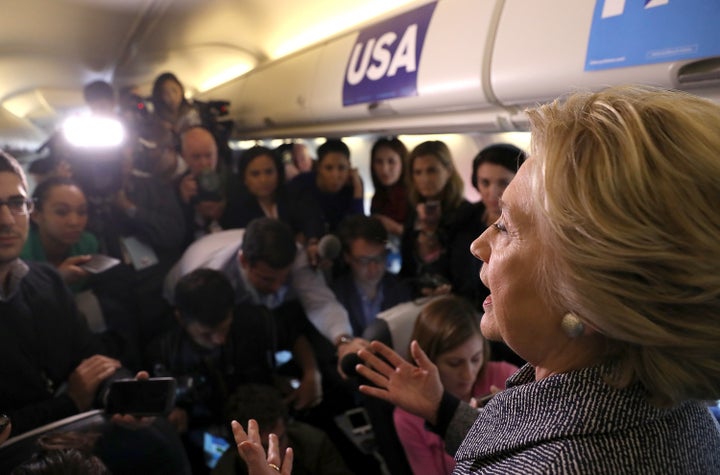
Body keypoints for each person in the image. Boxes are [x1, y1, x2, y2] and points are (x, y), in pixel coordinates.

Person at [350, 86, 720, 473]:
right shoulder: (678, 410)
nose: (479, 245)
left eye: (506, 227)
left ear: (587, 294)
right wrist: (441, 409)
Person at [0, 150, 191, 474]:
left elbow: (91, 360)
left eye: (16, 204)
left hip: (67, 428)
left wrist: (120, 393)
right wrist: (70, 402)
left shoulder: (45, 280)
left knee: (160, 438)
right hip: (20, 453)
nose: (6, 220)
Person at [393, 296, 517, 475]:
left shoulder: (505, 375)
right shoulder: (410, 414)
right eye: (454, 363)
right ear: (430, 360)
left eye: (476, 359)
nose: (468, 375)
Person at [399, 140, 480, 301]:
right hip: (419, 296)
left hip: (456, 298)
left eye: (432, 171)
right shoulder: (413, 213)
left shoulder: (466, 213)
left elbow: (466, 269)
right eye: (418, 172)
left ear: (448, 170)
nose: (425, 179)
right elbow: (408, 267)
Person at [213, 384, 351, 475]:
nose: (275, 455)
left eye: (279, 441)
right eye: (263, 448)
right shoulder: (226, 470)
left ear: (286, 425)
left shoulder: (314, 443)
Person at [331, 215, 411, 336]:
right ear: (347, 257)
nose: (373, 268)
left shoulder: (401, 289)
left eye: (379, 258)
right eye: (364, 261)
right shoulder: (335, 296)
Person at [20, 177, 97, 291]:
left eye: (81, 212)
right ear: (35, 215)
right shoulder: (19, 255)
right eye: (61, 212)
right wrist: (57, 280)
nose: (74, 222)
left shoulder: (87, 244)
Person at [287, 139, 364, 239]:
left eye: (341, 168)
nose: (335, 175)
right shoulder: (300, 184)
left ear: (349, 167)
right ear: (319, 167)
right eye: (328, 168)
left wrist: (358, 188)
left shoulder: (353, 185)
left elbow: (359, 228)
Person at [177, 126, 231, 245]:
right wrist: (183, 203)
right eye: (196, 157)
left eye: (208, 156)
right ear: (183, 156)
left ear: (216, 154)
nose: (204, 163)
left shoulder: (231, 183)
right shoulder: (175, 187)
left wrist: (223, 211)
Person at [369, 137, 409, 239]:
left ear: (402, 163)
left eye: (391, 162)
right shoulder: (378, 197)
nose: (384, 169)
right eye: (379, 162)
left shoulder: (413, 195)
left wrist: (395, 228)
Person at [151, 72, 202, 136]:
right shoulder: (159, 120)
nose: (172, 97)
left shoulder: (192, 113)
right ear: (160, 97)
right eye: (166, 93)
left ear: (181, 89)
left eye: (174, 90)